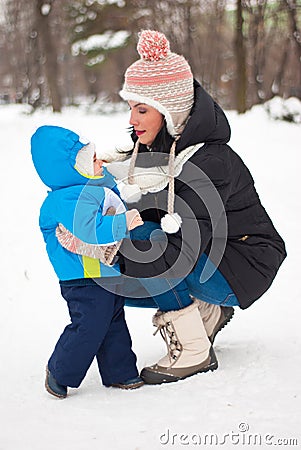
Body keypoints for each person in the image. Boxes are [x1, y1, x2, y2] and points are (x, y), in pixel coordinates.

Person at [98, 30, 287, 385]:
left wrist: (113, 247)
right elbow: (151, 209)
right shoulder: (157, 154)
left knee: (144, 245)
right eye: (130, 108)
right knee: (122, 270)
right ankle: (206, 311)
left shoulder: (210, 161)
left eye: (141, 109)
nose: (131, 119)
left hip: (245, 263)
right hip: (216, 257)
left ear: (171, 113)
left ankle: (194, 350)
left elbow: (177, 246)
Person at [30, 125, 145, 398]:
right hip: (82, 277)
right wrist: (122, 222)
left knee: (113, 320)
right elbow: (89, 229)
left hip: (105, 270)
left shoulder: (88, 188)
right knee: (90, 323)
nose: (99, 162)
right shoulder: (66, 198)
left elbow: (109, 199)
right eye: (91, 159)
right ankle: (60, 370)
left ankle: (120, 371)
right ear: (72, 168)